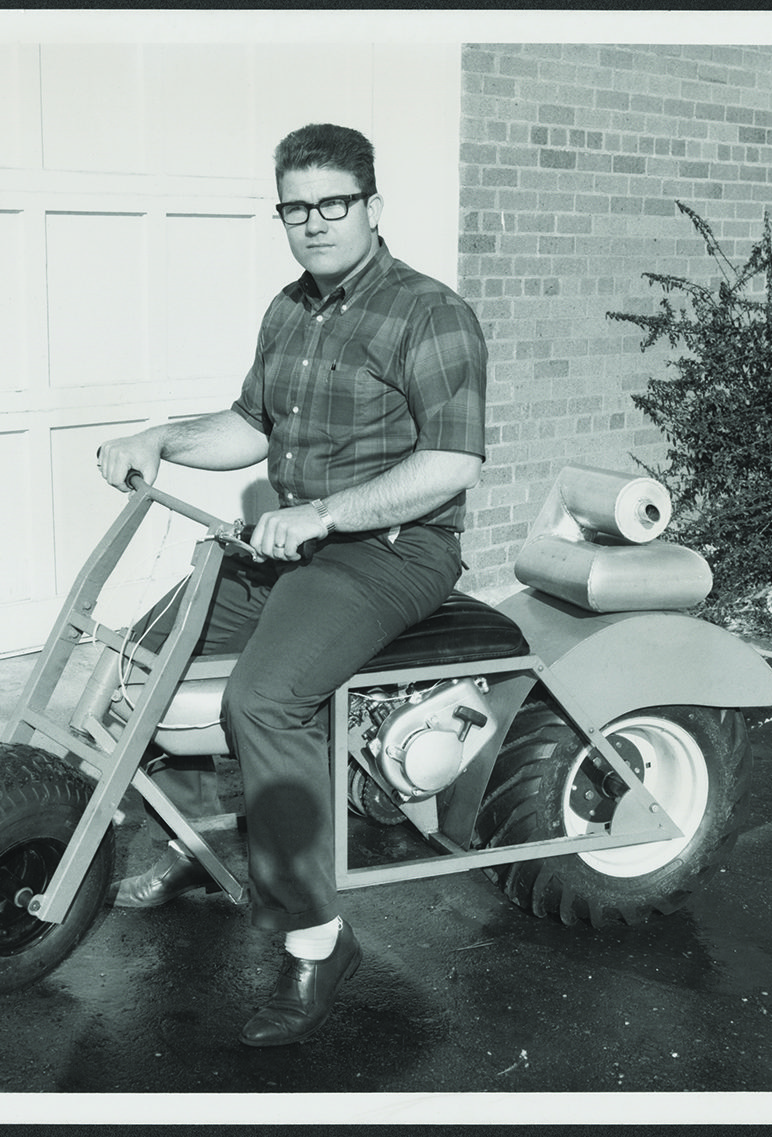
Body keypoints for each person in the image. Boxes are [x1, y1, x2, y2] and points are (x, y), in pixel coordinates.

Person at [96, 123, 487, 1047]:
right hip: (297, 539)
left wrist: (322, 515)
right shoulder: (288, 310)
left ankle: (317, 939)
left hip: (392, 549)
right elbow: (247, 428)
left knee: (265, 699)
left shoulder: (430, 312)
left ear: (373, 207)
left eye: (333, 204)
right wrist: (160, 439)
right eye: (296, 207)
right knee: (148, 652)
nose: (313, 223)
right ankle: (205, 837)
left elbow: (453, 462)